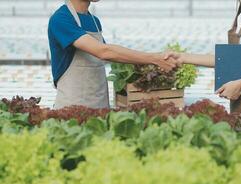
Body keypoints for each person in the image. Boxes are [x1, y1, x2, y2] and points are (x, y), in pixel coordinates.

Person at [48, 0, 177, 109]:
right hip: (72, 107)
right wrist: (154, 59)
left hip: (100, 104)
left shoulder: (94, 21)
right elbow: (104, 52)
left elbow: (110, 55)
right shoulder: (61, 19)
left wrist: (147, 71)